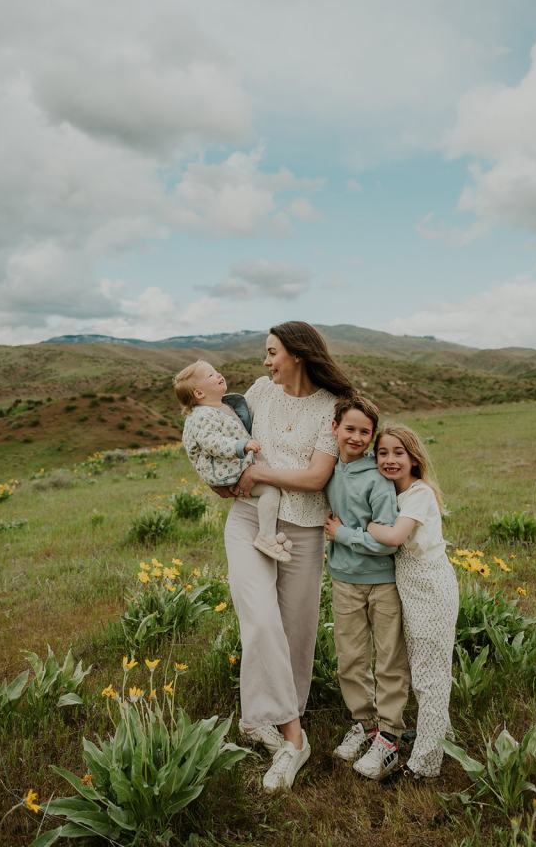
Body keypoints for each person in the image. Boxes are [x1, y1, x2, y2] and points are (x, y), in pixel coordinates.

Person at [218, 322, 355, 791]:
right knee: (260, 620)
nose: (265, 361)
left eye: (272, 352)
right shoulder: (259, 391)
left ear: (297, 354)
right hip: (249, 520)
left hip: (303, 527)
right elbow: (225, 439)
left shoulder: (332, 407)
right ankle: (294, 740)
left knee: (296, 630)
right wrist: (222, 479)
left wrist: (260, 473)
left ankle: (263, 718)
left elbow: (317, 477)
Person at [323, 395, 410, 781]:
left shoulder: (378, 478)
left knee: (388, 659)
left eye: (365, 432)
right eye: (350, 429)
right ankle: (365, 725)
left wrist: (344, 535)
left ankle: (390, 734)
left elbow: (387, 541)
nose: (356, 437)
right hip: (344, 580)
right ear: (335, 428)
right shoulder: (329, 471)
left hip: (382, 582)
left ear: (372, 436)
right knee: (350, 659)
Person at [366, 424, 458, 779]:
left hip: (430, 590)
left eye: (398, 453)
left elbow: (394, 537)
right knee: (426, 669)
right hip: (413, 589)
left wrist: (366, 527)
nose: (389, 460)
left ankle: (424, 765)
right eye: (382, 453)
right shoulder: (393, 492)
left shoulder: (419, 494)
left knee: (429, 676)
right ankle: (441, 738)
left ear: (414, 458)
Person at [174, 360, 292, 562]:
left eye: (216, 371)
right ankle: (266, 536)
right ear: (199, 393)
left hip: (231, 466)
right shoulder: (202, 415)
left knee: (267, 489)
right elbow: (211, 442)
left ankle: (271, 533)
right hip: (226, 471)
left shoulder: (222, 406)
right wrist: (241, 446)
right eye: (211, 375)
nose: (218, 374)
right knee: (270, 491)